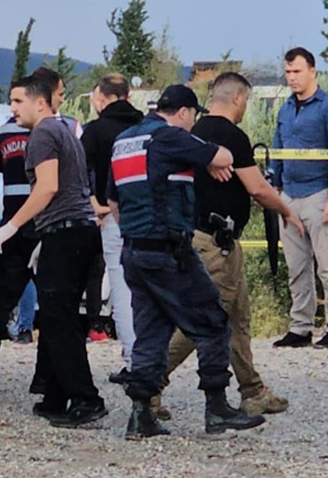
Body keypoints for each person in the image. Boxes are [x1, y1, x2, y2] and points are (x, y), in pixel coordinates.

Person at [109, 84, 264, 439]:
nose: (194, 123)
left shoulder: (126, 140)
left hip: (134, 249)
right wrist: (207, 160)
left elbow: (111, 200)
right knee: (212, 322)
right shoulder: (168, 136)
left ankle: (140, 416)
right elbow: (223, 156)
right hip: (169, 248)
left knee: (151, 332)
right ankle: (218, 408)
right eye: (194, 117)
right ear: (183, 112)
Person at [163, 73, 298, 418]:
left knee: (239, 318)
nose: (245, 109)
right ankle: (149, 382)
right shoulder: (231, 136)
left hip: (214, 240)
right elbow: (257, 188)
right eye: (247, 102)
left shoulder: (193, 135)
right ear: (238, 98)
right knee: (203, 321)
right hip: (214, 245)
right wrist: (286, 210)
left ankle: (252, 390)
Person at [0, 74, 107, 427]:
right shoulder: (64, 131)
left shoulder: (42, 133)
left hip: (66, 233)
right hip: (80, 232)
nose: (12, 109)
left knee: (58, 321)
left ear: (39, 102)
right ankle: (57, 397)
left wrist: (10, 227)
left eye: (17, 101)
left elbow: (47, 188)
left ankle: (87, 399)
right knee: (64, 316)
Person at [0, 67, 70, 393]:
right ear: (48, 94)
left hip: (14, 224)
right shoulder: (63, 129)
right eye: (62, 92)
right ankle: (44, 376)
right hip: (49, 224)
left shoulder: (4, 132)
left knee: (1, 297)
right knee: (52, 301)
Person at [270, 47, 328, 349]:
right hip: (289, 194)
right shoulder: (284, 109)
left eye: (297, 71)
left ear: (312, 72)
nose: (292, 77)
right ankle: (301, 326)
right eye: (288, 72)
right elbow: (277, 153)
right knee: (296, 266)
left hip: (318, 192)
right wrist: (275, 192)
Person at [79, 73, 144, 382]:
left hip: (111, 216)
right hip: (146, 215)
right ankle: (149, 357)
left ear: (102, 99)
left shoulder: (94, 131)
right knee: (145, 288)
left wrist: (95, 203)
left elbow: (78, 170)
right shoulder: (146, 127)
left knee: (120, 287)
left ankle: (133, 360)